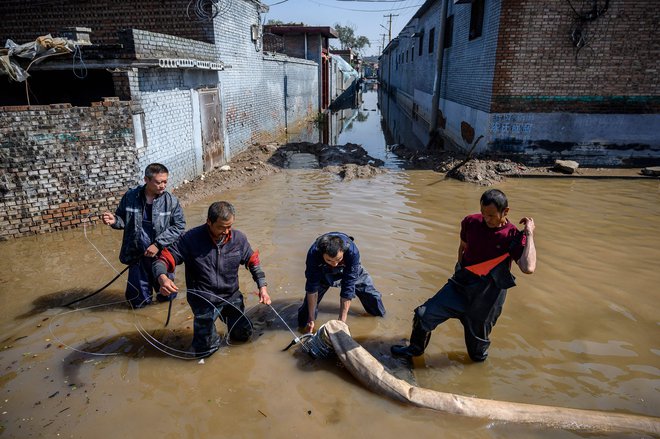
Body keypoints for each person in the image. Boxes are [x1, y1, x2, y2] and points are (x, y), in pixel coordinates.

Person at [391, 189, 536, 362]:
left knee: (476, 353)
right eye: (483, 213)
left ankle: (477, 374)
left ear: (505, 212)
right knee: (424, 315)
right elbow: (463, 248)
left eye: (491, 215)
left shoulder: (513, 235)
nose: (486, 219)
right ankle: (414, 350)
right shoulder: (471, 222)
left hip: (487, 298)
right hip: (461, 285)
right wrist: (459, 272)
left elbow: (528, 267)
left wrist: (529, 233)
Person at [154, 201, 271, 358]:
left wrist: (262, 287)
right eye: (222, 227)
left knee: (243, 335)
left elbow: (253, 261)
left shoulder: (239, 239)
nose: (226, 231)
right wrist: (162, 278)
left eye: (229, 226)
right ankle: (206, 343)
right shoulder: (190, 239)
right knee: (205, 350)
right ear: (209, 221)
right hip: (204, 300)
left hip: (231, 296)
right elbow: (163, 260)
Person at [101, 163, 185, 308]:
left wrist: (158, 244)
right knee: (137, 301)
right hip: (137, 256)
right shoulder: (130, 197)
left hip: (162, 256)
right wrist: (114, 220)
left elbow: (179, 226)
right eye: (159, 182)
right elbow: (122, 219)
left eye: (165, 181)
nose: (163, 185)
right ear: (146, 180)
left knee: (167, 296)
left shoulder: (171, 201)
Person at [298, 232, 386, 333]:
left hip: (348, 268)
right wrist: (311, 318)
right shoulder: (313, 254)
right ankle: (301, 329)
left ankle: (382, 319)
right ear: (322, 254)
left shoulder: (352, 252)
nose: (335, 264)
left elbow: (348, 286)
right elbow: (312, 287)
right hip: (323, 271)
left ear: (343, 251)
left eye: (338, 259)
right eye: (330, 260)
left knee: (373, 297)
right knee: (306, 315)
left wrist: (342, 321)